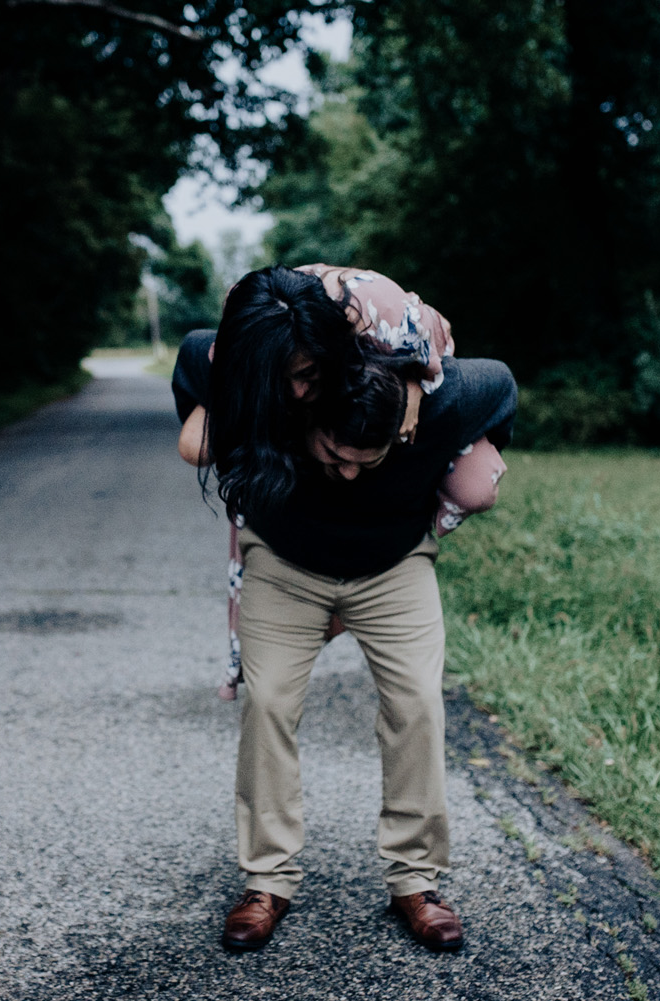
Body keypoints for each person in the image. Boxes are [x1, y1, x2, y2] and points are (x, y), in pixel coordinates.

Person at [171, 266, 517, 953]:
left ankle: (415, 880)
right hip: (286, 559)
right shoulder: (265, 373)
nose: (294, 390)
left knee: (418, 700)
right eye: (334, 454)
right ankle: (266, 881)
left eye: (303, 375)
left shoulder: (437, 398)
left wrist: (436, 410)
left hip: (393, 562)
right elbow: (193, 356)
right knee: (267, 702)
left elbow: (501, 385)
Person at [173, 265, 507, 699]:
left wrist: (414, 384)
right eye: (283, 379)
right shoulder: (236, 345)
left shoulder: (381, 322)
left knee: (477, 487)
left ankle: (358, 585)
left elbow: (463, 363)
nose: (295, 393)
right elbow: (195, 365)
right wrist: (247, 410)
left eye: (307, 375)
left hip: (408, 350)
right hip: (286, 537)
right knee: (198, 448)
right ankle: (301, 611)